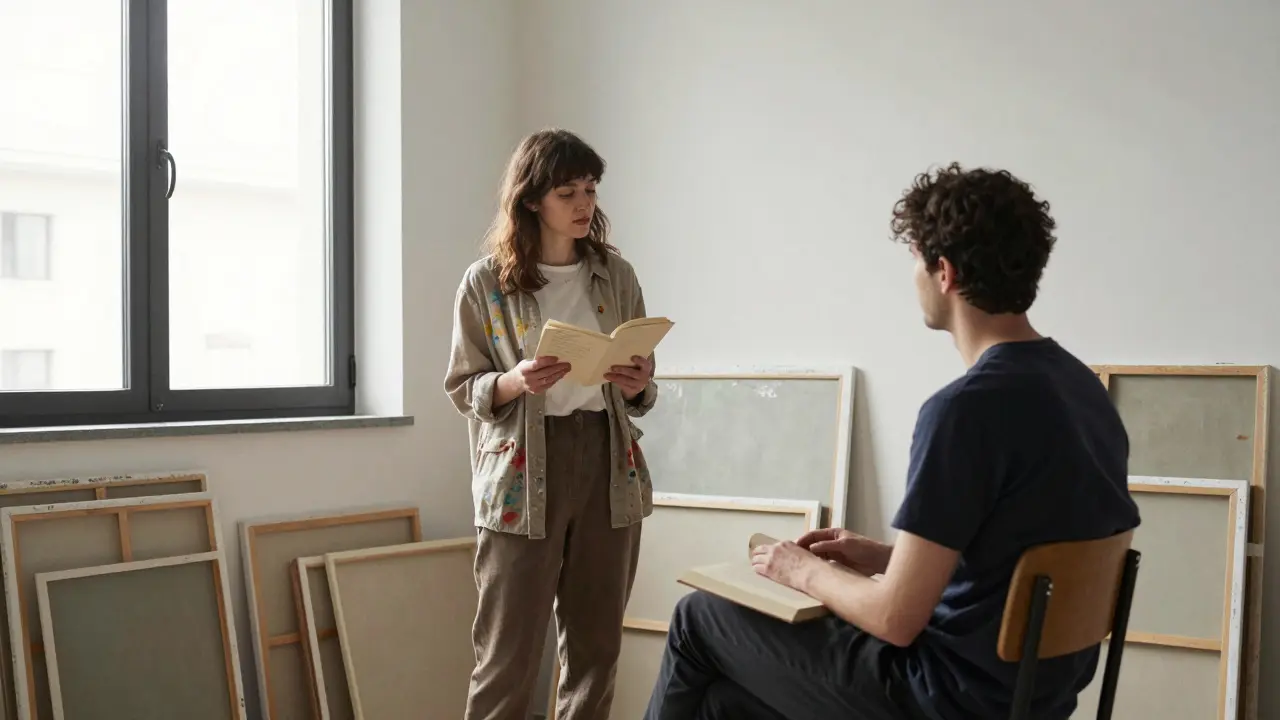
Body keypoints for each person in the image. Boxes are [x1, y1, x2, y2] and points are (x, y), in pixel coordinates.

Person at [643, 163, 1141, 720]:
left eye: (916, 261)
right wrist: (888, 557)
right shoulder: (1082, 392)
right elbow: (1017, 563)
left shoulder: (964, 411)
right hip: (1029, 699)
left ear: (945, 273)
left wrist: (802, 570)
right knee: (722, 704)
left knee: (697, 618)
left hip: (941, 697)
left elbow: (895, 620)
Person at [444, 128, 659, 720]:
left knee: (596, 650)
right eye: (568, 191)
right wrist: (515, 381)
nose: (585, 203)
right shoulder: (485, 282)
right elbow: (464, 386)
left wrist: (640, 385)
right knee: (506, 654)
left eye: (590, 189)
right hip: (520, 473)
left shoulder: (617, 276)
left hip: (607, 465)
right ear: (533, 199)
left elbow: (640, 387)